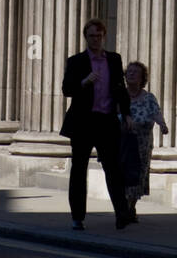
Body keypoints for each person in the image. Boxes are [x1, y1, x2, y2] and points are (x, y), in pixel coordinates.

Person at [61, 18, 132, 231]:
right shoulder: (76, 61)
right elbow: (67, 89)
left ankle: (121, 214)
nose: (96, 39)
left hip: (106, 121)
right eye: (92, 36)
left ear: (104, 37)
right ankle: (77, 217)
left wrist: (126, 114)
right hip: (83, 122)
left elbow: (120, 89)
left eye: (99, 36)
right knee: (79, 170)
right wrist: (84, 82)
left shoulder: (114, 59)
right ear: (86, 37)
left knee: (113, 169)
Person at [123, 61, 168, 222]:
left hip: (142, 142)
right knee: (123, 174)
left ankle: (130, 206)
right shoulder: (119, 95)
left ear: (143, 77)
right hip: (123, 140)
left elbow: (156, 113)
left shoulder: (148, 97)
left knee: (138, 174)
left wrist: (162, 124)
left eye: (135, 72)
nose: (132, 74)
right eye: (129, 72)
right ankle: (124, 207)